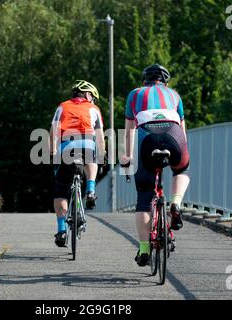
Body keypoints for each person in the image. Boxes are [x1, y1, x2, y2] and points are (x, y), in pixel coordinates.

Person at [121, 64, 190, 266]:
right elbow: (183, 132)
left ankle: (144, 249)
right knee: (182, 169)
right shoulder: (175, 95)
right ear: (165, 81)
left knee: (144, 197)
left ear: (145, 81)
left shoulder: (134, 94)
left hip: (147, 141)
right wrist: (181, 155)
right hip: (174, 138)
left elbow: (129, 131)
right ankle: (176, 203)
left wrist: (127, 156)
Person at [50, 80, 106, 247]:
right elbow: (100, 136)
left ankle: (61, 231)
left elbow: (53, 132)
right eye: (93, 97)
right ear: (88, 94)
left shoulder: (62, 107)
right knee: (93, 157)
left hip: (66, 147)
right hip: (87, 144)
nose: (93, 101)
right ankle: (90, 190)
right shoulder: (93, 109)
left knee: (60, 191)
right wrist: (102, 156)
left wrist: (53, 155)